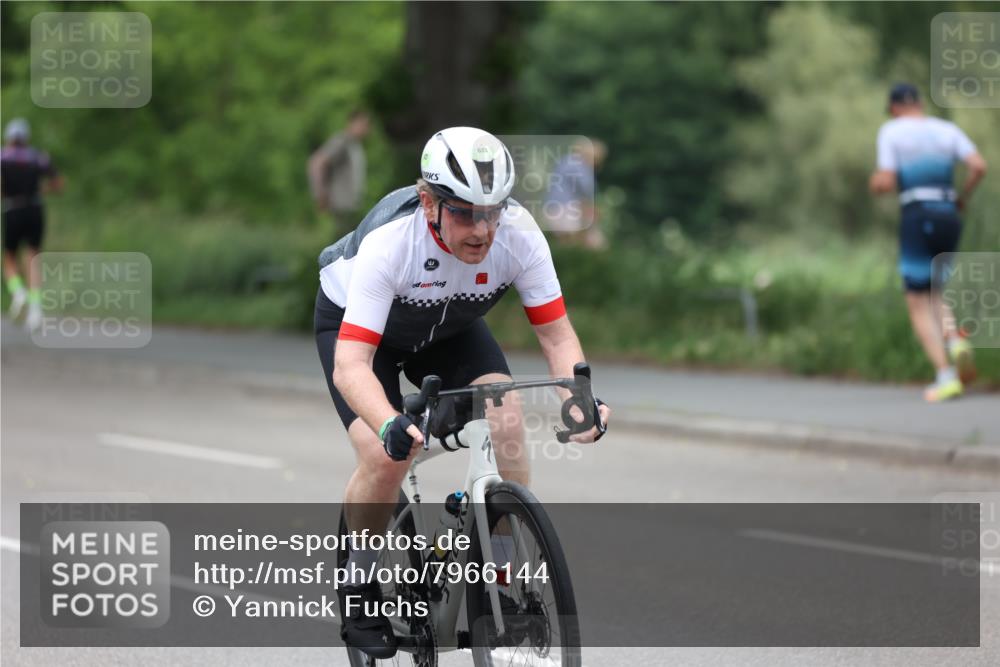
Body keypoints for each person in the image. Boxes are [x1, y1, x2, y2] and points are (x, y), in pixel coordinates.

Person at [314, 127, 611, 658]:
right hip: (361, 331)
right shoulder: (390, 244)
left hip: (448, 328)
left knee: (507, 414)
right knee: (385, 458)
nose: (482, 229)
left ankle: (501, 579)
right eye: (464, 213)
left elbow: (556, 334)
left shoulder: (520, 235)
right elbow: (350, 366)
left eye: (492, 211)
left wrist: (581, 397)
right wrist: (388, 423)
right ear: (428, 203)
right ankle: (360, 589)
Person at [869, 83, 988, 402]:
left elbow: (887, 179)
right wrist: (963, 197)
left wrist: (876, 184)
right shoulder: (947, 129)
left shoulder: (891, 131)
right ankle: (956, 341)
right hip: (949, 213)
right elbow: (979, 166)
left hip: (918, 213)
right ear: (919, 104)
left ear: (894, 107)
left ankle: (946, 376)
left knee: (916, 300)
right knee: (935, 291)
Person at [1, 118, 63, 331]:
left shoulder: (2, 157)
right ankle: (36, 310)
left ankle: (18, 292)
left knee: (9, 256)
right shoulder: (38, 157)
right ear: (25, 138)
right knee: (33, 257)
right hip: (35, 209)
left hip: (12, 208)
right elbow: (58, 184)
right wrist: (39, 191)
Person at [308, 109, 370, 237]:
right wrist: (320, 195)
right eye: (363, 124)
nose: (366, 128)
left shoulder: (354, 144)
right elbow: (317, 163)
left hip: (349, 209)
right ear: (352, 122)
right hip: (339, 209)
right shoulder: (342, 141)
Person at [544, 138, 607, 249]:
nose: (596, 165)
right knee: (584, 243)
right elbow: (588, 189)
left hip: (553, 208)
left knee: (566, 243)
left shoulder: (564, 161)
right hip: (566, 210)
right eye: (596, 160)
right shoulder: (579, 165)